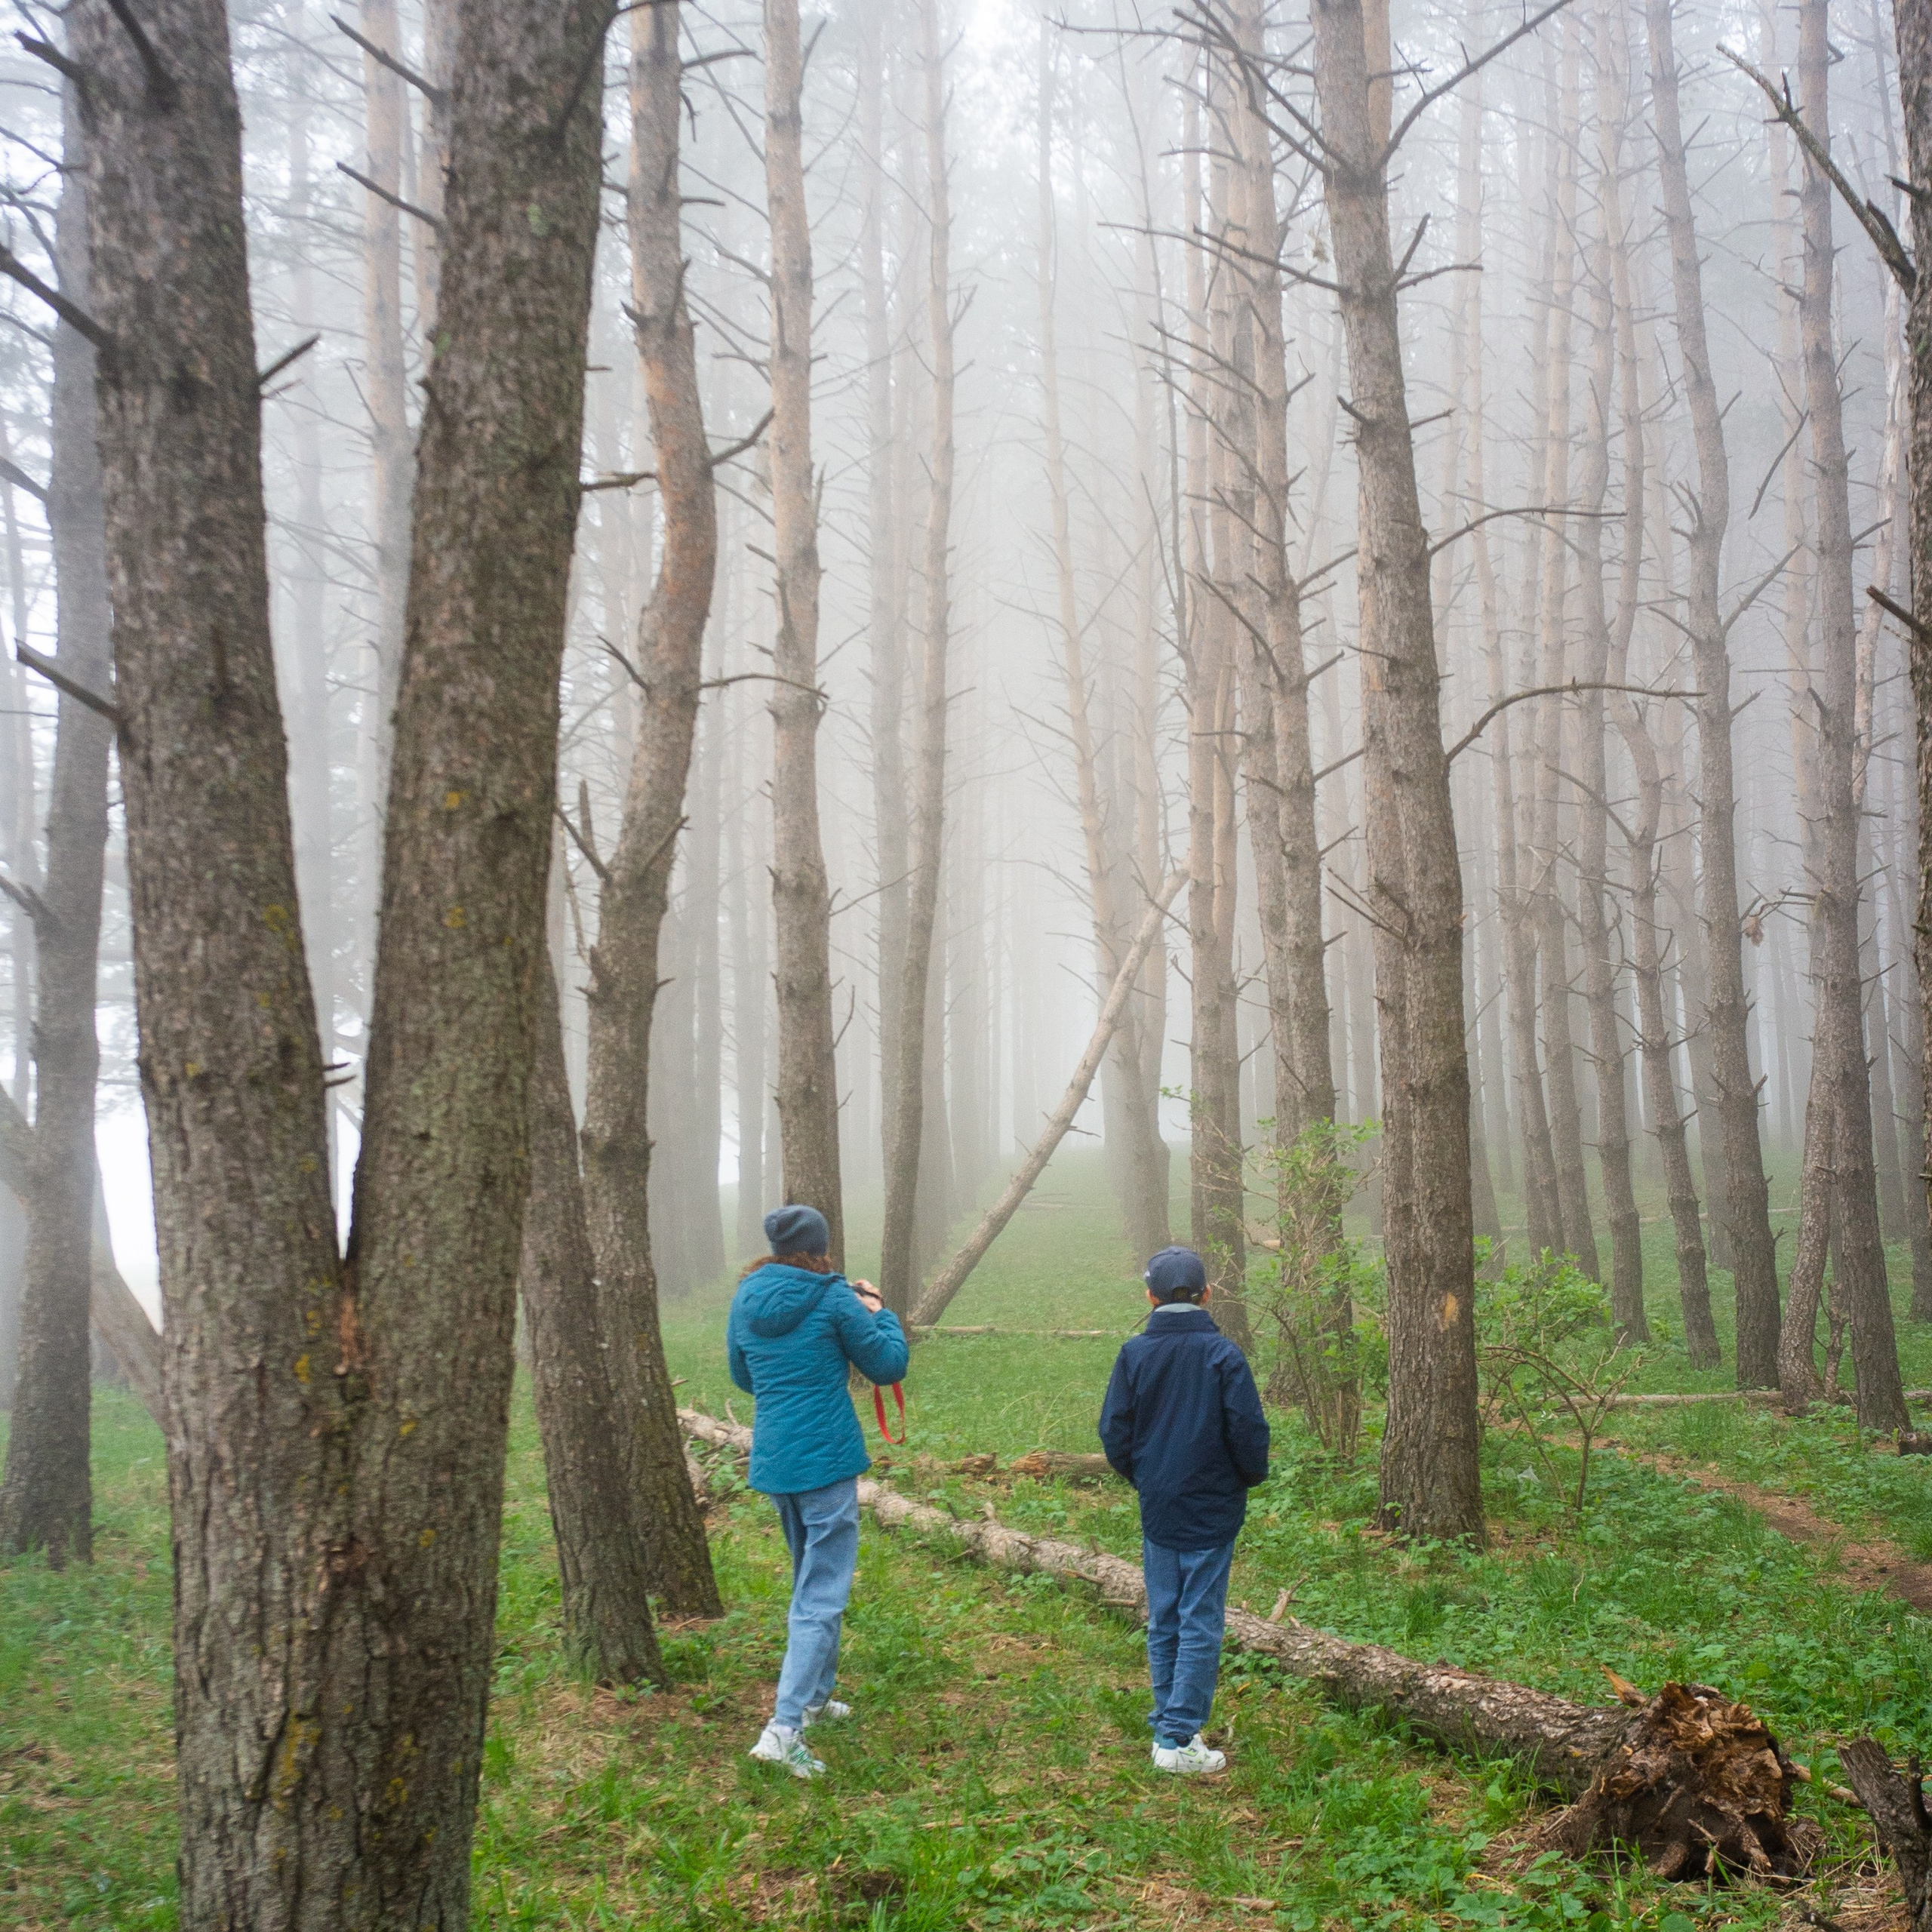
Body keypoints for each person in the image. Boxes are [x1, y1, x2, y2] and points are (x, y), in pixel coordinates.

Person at [728, 1203, 908, 1779]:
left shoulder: (746, 1297)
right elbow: (887, 1364)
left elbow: (742, 1375)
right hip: (826, 1459)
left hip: (776, 1459)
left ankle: (814, 1698)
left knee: (809, 1581)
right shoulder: (833, 1297)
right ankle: (784, 1730)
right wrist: (881, 1313)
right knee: (821, 1595)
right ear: (820, 1247)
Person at [1097, 1244, 1269, 1775]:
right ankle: (1177, 1737)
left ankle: (1168, 1729)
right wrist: (1246, 1477)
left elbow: (1114, 1431)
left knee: (1165, 1616)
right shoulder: (1224, 1356)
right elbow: (1249, 1431)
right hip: (1213, 1508)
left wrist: (1146, 1478)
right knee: (1200, 1620)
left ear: (1149, 1297)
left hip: (1161, 1507)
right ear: (1207, 1295)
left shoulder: (1135, 1354)